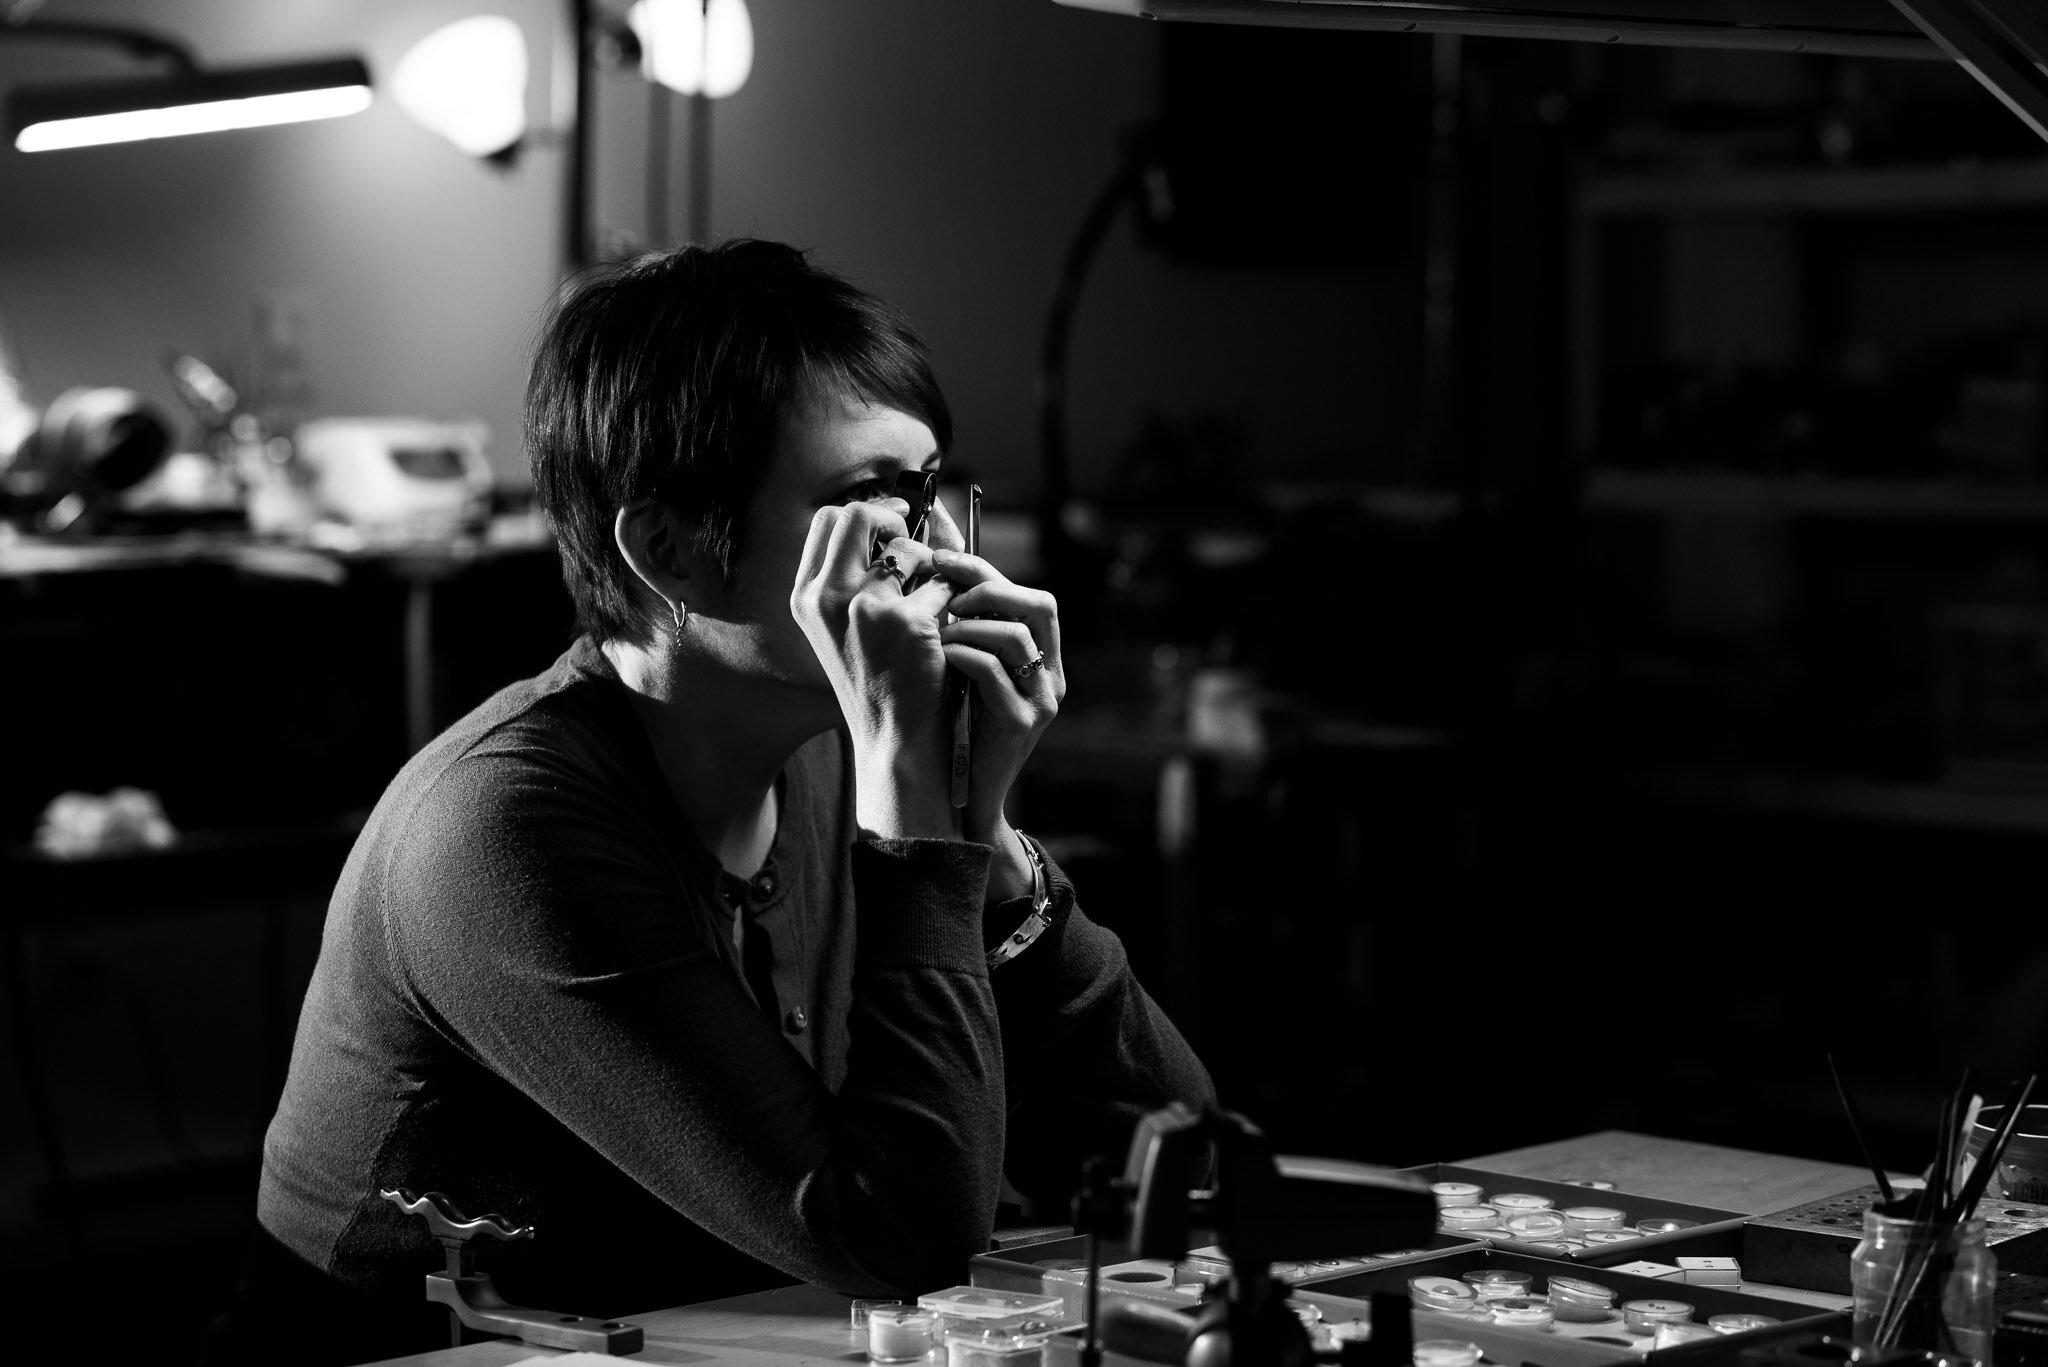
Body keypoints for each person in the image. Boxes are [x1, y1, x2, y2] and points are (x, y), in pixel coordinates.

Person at [206, 239, 1212, 1365]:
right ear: (672, 547)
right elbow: (898, 1236)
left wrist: (986, 837)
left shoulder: (839, 767)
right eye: (861, 508)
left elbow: (1172, 1155)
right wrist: (921, 824)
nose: (921, 558)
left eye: (926, 494)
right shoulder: (501, 830)